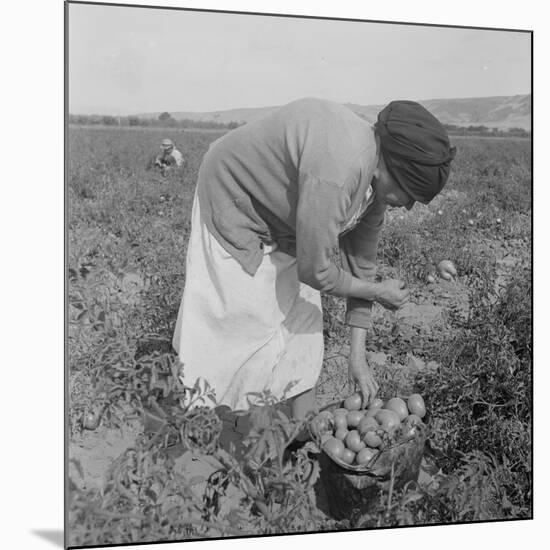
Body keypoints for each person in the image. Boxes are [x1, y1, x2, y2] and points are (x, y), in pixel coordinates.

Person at [172, 97, 456, 433]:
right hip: (234, 199)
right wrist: (378, 292)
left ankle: (300, 432)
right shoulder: (340, 168)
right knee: (243, 326)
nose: (407, 206)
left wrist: (358, 357)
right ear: (390, 167)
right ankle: (214, 430)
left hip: (286, 222)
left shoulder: (374, 185)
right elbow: (316, 271)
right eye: (408, 194)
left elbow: (360, 267)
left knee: (303, 323)